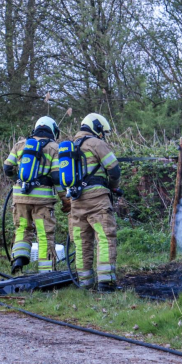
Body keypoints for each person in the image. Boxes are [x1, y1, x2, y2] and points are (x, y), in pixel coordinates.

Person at [3, 116, 70, 274]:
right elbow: (56, 177)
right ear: (53, 131)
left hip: (20, 197)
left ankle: (18, 258)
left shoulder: (20, 145)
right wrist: (65, 199)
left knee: (22, 229)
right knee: (43, 233)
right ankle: (46, 271)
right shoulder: (55, 148)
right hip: (42, 200)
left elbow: (7, 168)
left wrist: (18, 181)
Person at [63, 113, 121, 291]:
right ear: (96, 128)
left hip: (76, 202)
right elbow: (114, 170)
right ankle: (106, 282)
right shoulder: (96, 143)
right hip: (97, 200)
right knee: (105, 238)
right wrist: (112, 187)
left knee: (82, 243)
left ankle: (85, 283)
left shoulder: (70, 146)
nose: (102, 135)